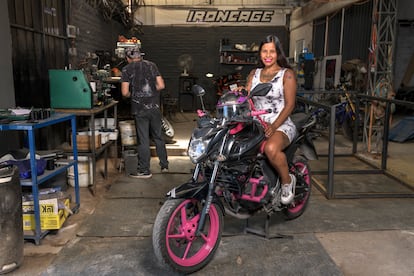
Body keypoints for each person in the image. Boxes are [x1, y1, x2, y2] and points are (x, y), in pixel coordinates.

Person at [244, 35, 297, 205]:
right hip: (257, 124)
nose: (268, 55)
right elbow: (247, 96)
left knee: (271, 148)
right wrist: (240, 92)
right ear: (260, 53)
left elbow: (290, 105)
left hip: (280, 123)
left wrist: (274, 126)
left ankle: (287, 181)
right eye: (264, 51)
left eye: (272, 51)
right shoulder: (254, 73)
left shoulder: (286, 75)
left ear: (278, 53)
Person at [121, 46, 169, 178]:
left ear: (128, 58)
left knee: (143, 140)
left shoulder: (126, 69)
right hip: (154, 107)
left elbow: (124, 92)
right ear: (140, 56)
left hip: (139, 109)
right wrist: (150, 93)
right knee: (159, 136)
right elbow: (161, 85)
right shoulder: (152, 65)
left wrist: (135, 94)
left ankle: (144, 170)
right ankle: (164, 165)